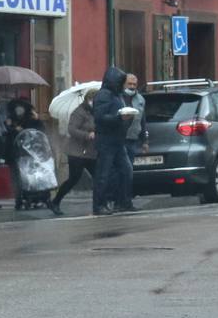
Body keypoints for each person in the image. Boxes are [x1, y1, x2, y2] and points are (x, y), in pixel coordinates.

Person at [92, 66, 134, 216]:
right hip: (106, 140)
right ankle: (99, 204)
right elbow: (100, 118)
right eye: (121, 81)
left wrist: (127, 118)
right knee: (103, 174)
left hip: (118, 140)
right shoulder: (103, 95)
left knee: (126, 171)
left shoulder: (117, 95)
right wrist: (119, 118)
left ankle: (123, 202)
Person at [51, 89, 98, 216]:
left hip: (91, 152)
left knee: (99, 177)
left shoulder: (95, 112)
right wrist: (87, 135)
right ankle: (55, 201)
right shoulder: (79, 112)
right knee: (73, 179)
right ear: (89, 99)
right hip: (77, 152)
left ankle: (99, 204)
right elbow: (71, 129)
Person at [120, 74, 148, 211]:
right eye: (129, 84)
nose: (131, 87)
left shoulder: (140, 99)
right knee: (121, 171)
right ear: (123, 84)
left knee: (129, 171)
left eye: (134, 85)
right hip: (119, 139)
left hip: (132, 139)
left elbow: (143, 121)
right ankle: (117, 201)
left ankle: (127, 202)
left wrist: (144, 140)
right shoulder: (118, 98)